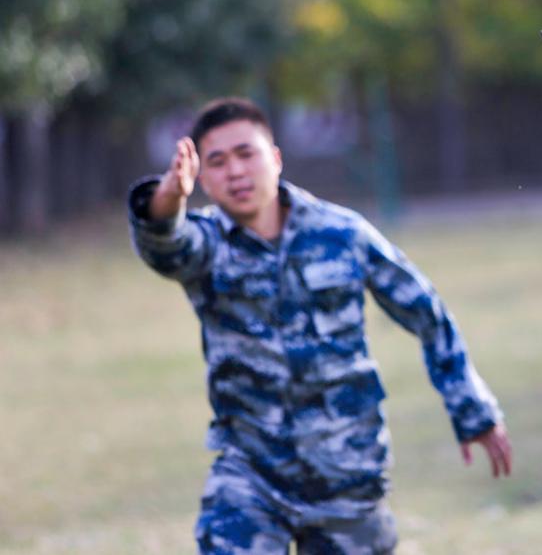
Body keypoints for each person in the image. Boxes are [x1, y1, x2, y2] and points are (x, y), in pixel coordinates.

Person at [128, 97, 512, 554]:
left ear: (275, 158)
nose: (234, 171)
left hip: (346, 469)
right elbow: (165, 244)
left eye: (245, 154)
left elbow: (425, 311)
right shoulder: (207, 245)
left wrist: (472, 410)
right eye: (217, 162)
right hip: (251, 474)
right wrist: (170, 194)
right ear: (203, 179)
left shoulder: (343, 234)